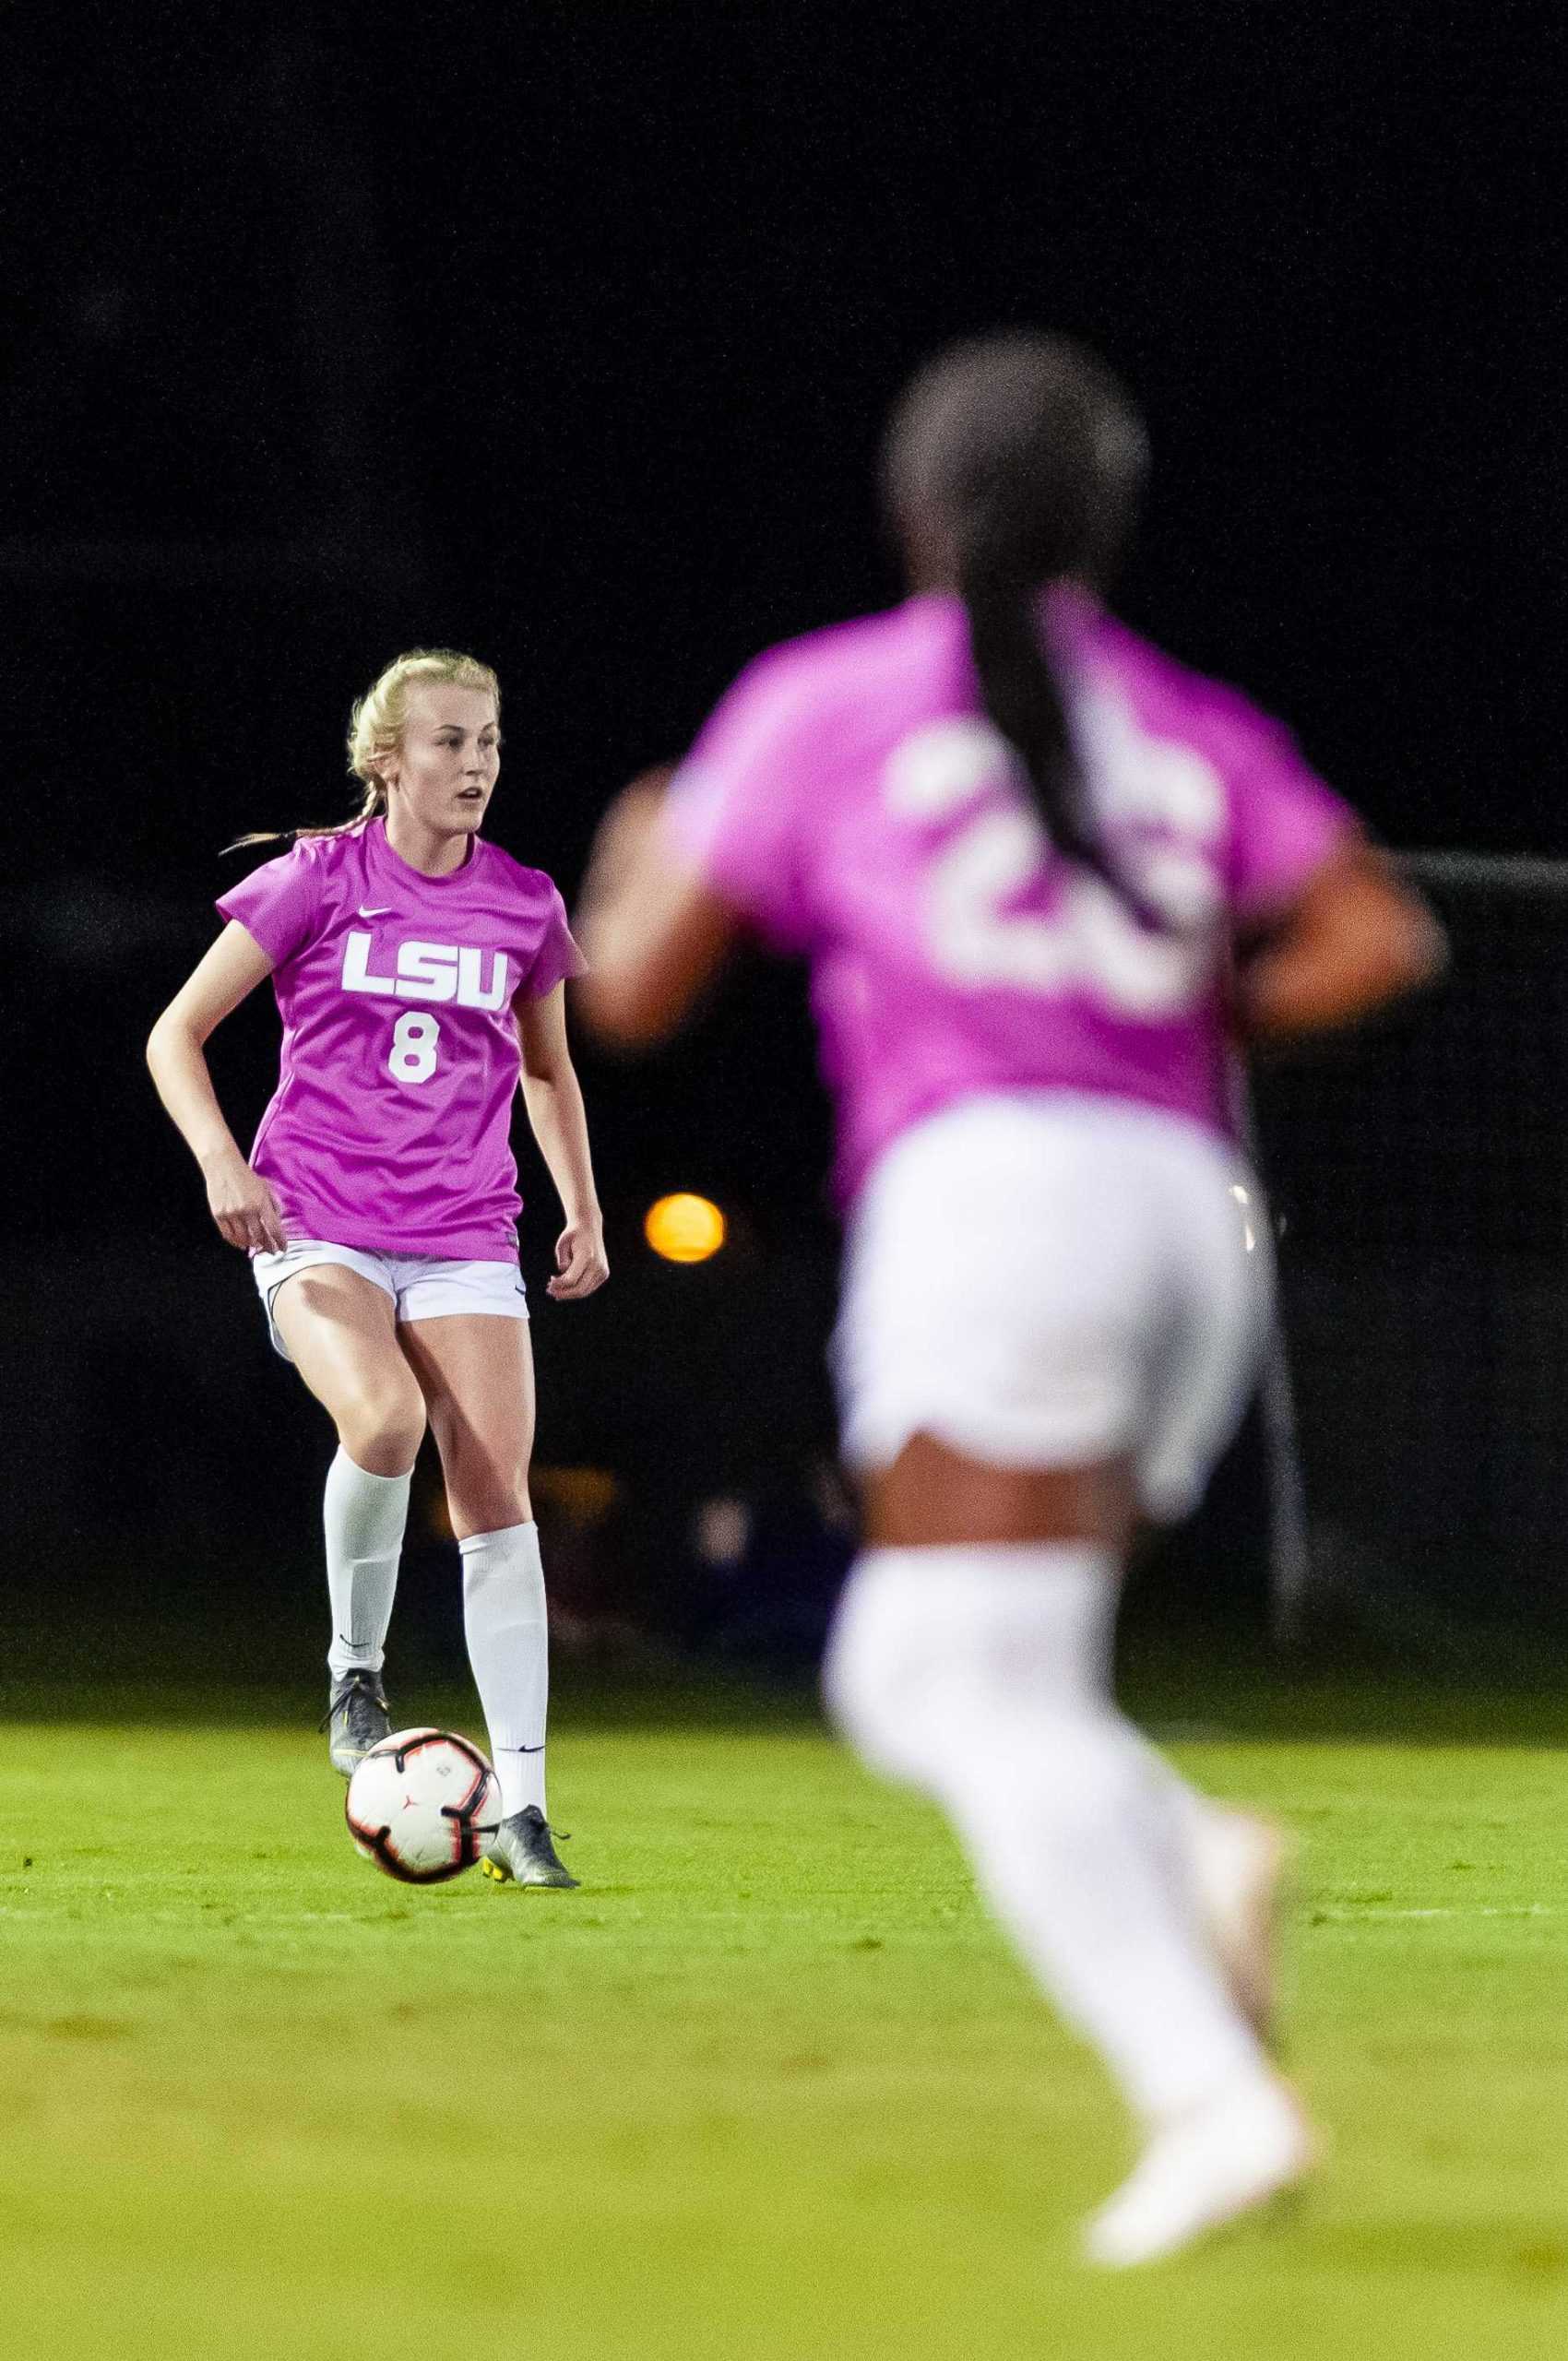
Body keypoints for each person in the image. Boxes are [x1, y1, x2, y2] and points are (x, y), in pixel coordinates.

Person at [572, 336, 1445, 2260]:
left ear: (912, 505)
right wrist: (1181, 1004)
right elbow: (1381, 931)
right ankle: (1184, 1851)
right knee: (975, 1669)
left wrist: (635, 850)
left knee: (938, 1670)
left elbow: (631, 996)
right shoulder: (1178, 714)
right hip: (1182, 1203)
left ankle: (1210, 2098)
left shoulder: (830, 698)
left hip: (1000, 1200)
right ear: (1101, 524)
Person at [147, 648, 607, 1890]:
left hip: (465, 1230)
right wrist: (221, 1165)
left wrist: (584, 1209)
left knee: (495, 1486)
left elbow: (550, 1070)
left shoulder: (523, 902)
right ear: (388, 759)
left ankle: (522, 1808)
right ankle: (356, 1668)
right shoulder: (319, 879)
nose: (475, 766)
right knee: (388, 1419)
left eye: (491, 742)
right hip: (323, 1222)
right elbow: (175, 1033)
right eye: (450, 743)